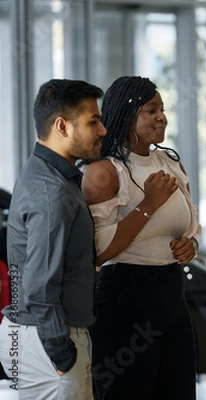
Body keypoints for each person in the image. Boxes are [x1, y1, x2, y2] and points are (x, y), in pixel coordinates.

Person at [81, 76, 201, 399]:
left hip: (172, 297)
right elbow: (100, 251)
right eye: (151, 110)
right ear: (127, 114)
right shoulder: (104, 172)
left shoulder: (170, 163)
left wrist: (192, 245)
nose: (162, 116)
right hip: (123, 299)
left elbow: (190, 224)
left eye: (162, 109)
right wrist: (148, 205)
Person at [0, 79, 105, 399]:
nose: (102, 130)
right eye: (93, 121)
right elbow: (39, 287)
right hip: (48, 342)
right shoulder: (52, 191)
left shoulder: (52, 175)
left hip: (41, 337)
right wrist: (62, 355)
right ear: (62, 126)